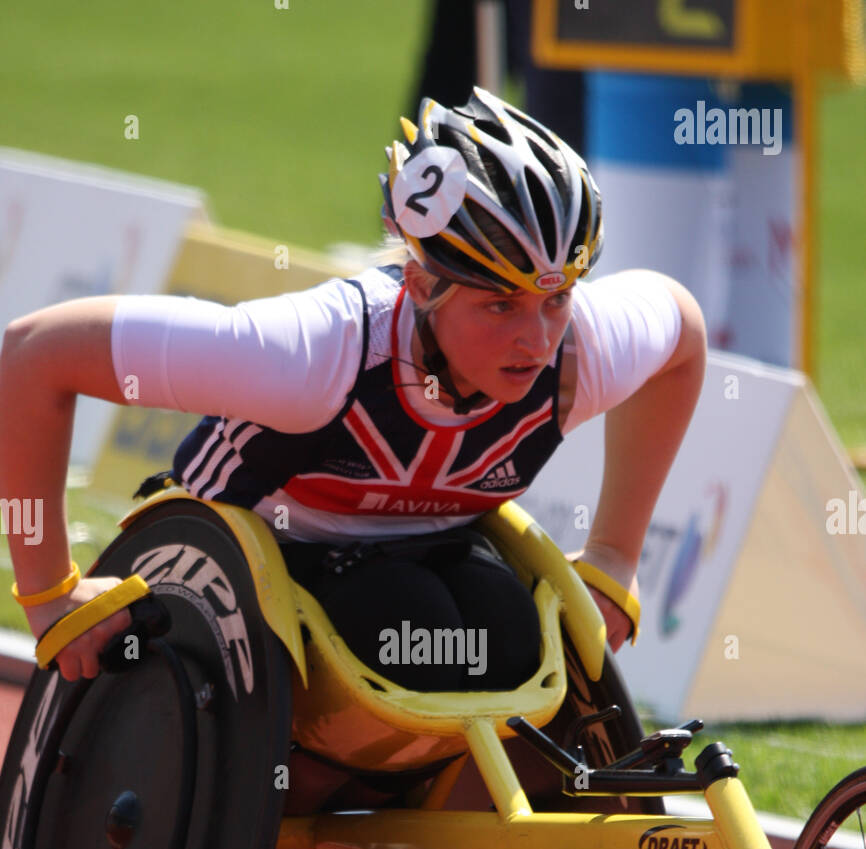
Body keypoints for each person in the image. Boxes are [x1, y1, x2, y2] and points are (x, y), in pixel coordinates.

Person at [0, 88, 706, 691]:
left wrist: (614, 553)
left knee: (514, 635)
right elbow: (32, 355)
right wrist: (49, 594)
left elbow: (682, 334)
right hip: (249, 565)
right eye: (501, 305)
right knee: (406, 619)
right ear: (422, 283)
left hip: (435, 558)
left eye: (557, 300)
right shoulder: (311, 354)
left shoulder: (578, 353)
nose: (538, 339)